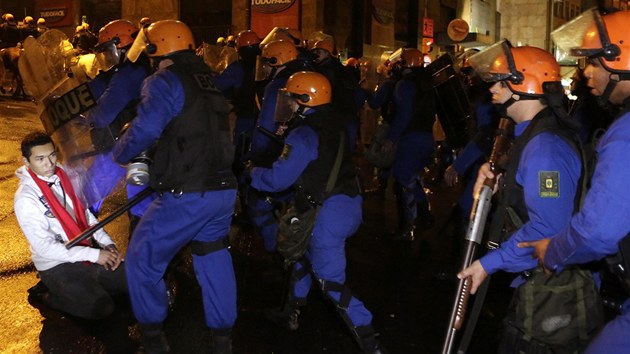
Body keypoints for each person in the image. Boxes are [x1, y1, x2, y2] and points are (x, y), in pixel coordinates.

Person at [457, 41, 602, 353]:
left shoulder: (544, 149)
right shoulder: (535, 135)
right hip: (541, 281)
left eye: (500, 80)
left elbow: (549, 228)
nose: (492, 88)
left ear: (523, 83)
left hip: (556, 294)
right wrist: (500, 182)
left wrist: (487, 265)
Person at [112, 20, 237, 353]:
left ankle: (153, 340)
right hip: (222, 190)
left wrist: (119, 151)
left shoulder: (164, 80)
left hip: (187, 193)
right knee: (212, 254)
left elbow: (146, 128)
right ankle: (222, 339)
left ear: (157, 48)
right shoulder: (208, 80)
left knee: (141, 259)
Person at [249, 71, 386, 354]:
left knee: (330, 280)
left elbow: (278, 180)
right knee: (302, 256)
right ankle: (291, 311)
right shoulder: (334, 122)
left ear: (305, 99)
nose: (287, 104)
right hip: (347, 204)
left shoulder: (303, 134)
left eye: (291, 98)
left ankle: (369, 338)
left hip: (327, 215)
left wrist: (253, 173)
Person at [519, 9, 630, 354]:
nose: (586, 72)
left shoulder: (624, 134)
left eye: (595, 62)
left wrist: (552, 251)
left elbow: (598, 230)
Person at [15, 131, 127, 320]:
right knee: (101, 307)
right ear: (26, 161)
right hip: (56, 263)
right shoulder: (26, 198)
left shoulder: (64, 175)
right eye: (40, 159)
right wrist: (95, 255)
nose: (49, 164)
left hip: (84, 250)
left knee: (132, 279)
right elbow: (45, 248)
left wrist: (107, 244)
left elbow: (86, 216)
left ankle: (86, 285)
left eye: (52, 155)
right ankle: (48, 295)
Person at [83, 19, 154, 235]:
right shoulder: (137, 66)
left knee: (90, 192)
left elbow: (104, 113)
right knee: (143, 204)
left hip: (126, 145)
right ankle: (146, 253)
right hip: (140, 143)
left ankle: (83, 242)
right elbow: (102, 84)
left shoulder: (129, 73)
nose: (106, 57)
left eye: (107, 50)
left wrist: (83, 118)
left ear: (120, 45)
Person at [382, 48, 436, 241]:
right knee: (413, 178)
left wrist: (392, 138)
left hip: (410, 138)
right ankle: (425, 216)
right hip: (426, 137)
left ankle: (407, 226)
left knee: (403, 181)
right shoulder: (427, 83)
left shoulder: (405, 85)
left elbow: (403, 114)